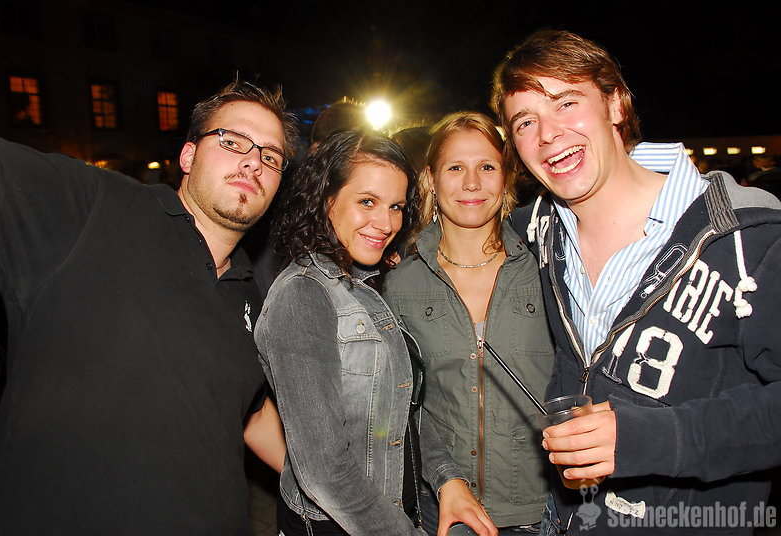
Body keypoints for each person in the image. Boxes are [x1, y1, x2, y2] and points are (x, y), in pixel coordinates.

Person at [492, 29, 781, 534]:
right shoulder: (535, 231)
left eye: (566, 103)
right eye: (525, 121)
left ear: (615, 104)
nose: (547, 134)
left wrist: (650, 439)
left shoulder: (747, 239)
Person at [0, 79, 293, 534]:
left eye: (271, 156)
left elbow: (249, 410)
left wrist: (323, 486)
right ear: (188, 156)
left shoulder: (249, 292)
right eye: (232, 141)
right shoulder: (96, 208)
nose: (253, 161)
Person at [255, 130, 498, 536]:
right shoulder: (303, 295)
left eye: (396, 206)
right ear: (326, 199)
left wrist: (448, 478)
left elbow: (400, 410)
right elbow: (324, 470)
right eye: (367, 201)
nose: (386, 223)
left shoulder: (363, 286)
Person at [383, 112, 555, 535]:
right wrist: (445, 479)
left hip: (540, 510)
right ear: (430, 179)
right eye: (456, 168)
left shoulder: (547, 271)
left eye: (487, 167)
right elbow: (402, 407)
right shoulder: (400, 284)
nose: (472, 183)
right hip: (442, 509)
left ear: (506, 177)